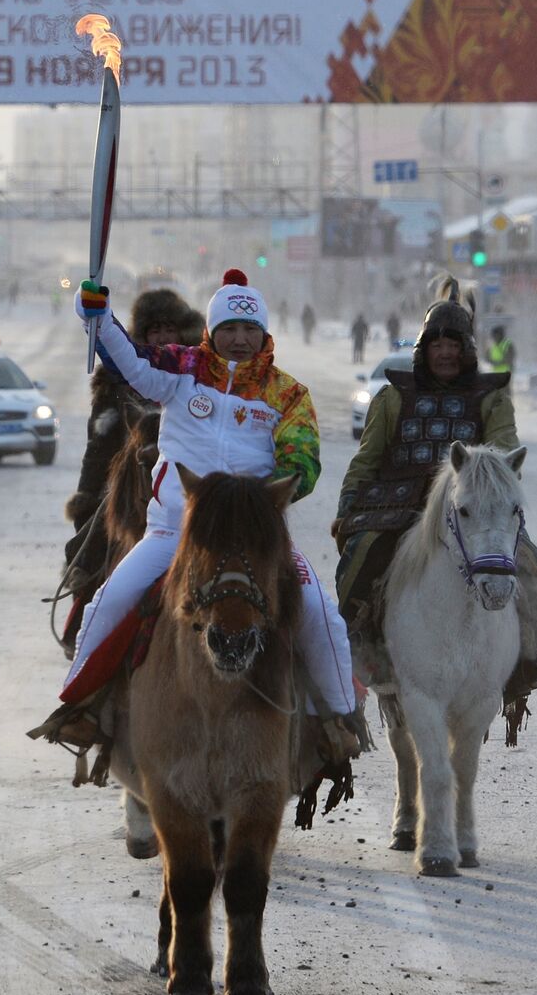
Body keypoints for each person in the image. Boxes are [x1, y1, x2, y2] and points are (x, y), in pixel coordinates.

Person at [58, 268, 360, 756]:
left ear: (264, 334)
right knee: (107, 603)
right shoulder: (181, 371)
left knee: (323, 615)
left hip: (256, 540)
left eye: (249, 330)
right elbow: (128, 362)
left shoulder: (287, 395)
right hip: (173, 534)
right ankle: (82, 706)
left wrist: (258, 501)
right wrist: (96, 315)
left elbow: (302, 461)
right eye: (229, 330)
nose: (239, 340)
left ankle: (337, 722)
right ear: (212, 332)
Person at [332, 274, 537, 704]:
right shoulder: (393, 397)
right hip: (395, 509)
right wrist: (348, 509)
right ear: (424, 349)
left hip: (471, 511)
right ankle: (355, 645)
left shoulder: (491, 399)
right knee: (360, 557)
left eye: (454, 346)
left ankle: (524, 660)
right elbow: (367, 460)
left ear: (467, 350)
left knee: (529, 567)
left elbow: (504, 454)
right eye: (438, 345)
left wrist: (489, 485)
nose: (446, 354)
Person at [61, 288, 202, 656]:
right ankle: (87, 631)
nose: (162, 337)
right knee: (100, 539)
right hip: (131, 484)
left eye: (169, 329)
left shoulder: (203, 372)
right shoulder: (118, 381)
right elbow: (99, 447)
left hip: (193, 488)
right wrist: (87, 498)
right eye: (154, 331)